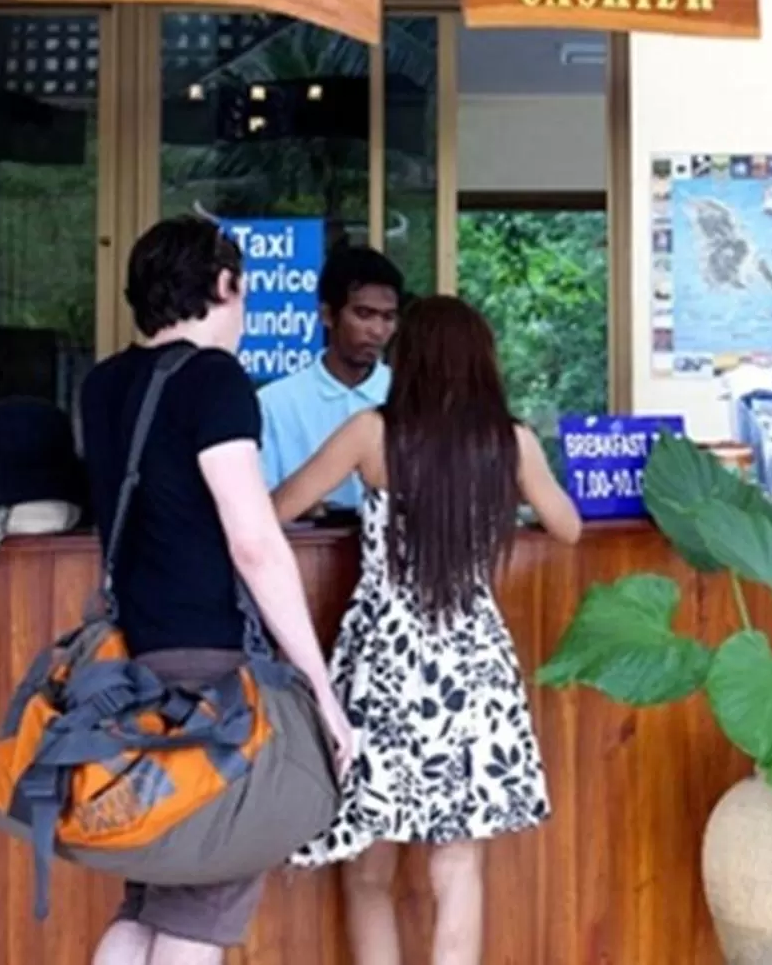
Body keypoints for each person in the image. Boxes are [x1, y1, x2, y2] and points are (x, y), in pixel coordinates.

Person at [271, 296, 584, 965]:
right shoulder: (509, 441)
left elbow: (274, 510)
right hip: (471, 663)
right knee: (457, 867)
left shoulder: (371, 433)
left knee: (368, 866)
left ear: (409, 360)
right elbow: (568, 526)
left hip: (386, 661)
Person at [79, 216, 356, 965]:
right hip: (211, 677)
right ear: (224, 286)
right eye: (243, 293)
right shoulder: (214, 380)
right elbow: (255, 541)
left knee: (146, 900)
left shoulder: (103, 384)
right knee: (198, 919)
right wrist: (321, 690)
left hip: (131, 666)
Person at [258, 243, 405, 514]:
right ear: (327, 315)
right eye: (363, 314)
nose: (377, 330)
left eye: (388, 317)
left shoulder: (407, 395)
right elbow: (260, 507)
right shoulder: (274, 404)